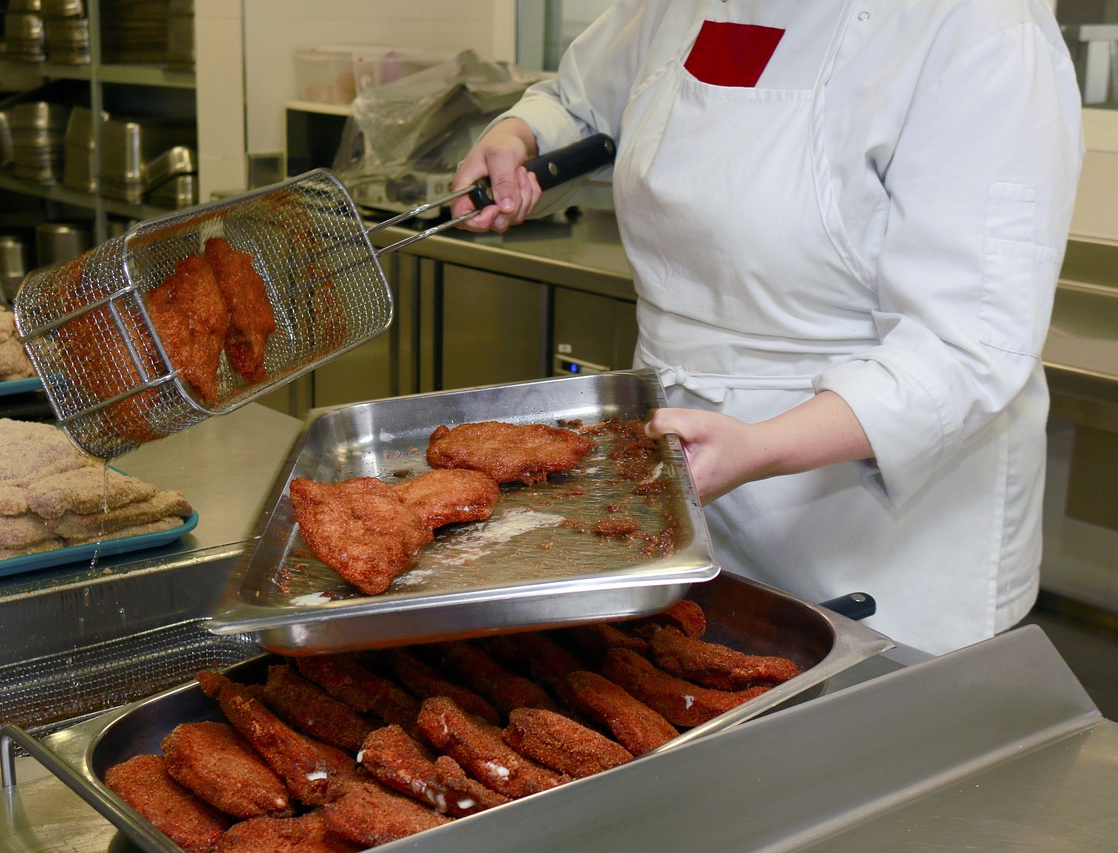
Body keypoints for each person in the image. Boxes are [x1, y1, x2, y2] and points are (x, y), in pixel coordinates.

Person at [451, 0, 1084, 655]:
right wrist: (518, 136)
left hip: (872, 535)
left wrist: (761, 447)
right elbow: (582, 103)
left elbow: (966, 345)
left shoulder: (981, 28)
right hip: (683, 484)